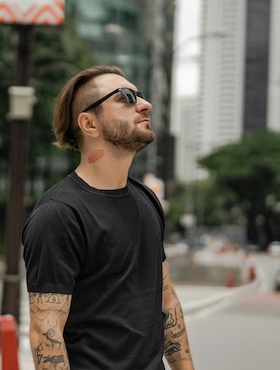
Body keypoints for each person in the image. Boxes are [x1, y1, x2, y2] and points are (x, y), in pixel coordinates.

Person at [22, 65, 195, 370]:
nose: (144, 104)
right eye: (126, 97)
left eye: (140, 95)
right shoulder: (59, 214)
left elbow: (166, 304)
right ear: (89, 124)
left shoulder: (146, 201)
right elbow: (46, 335)